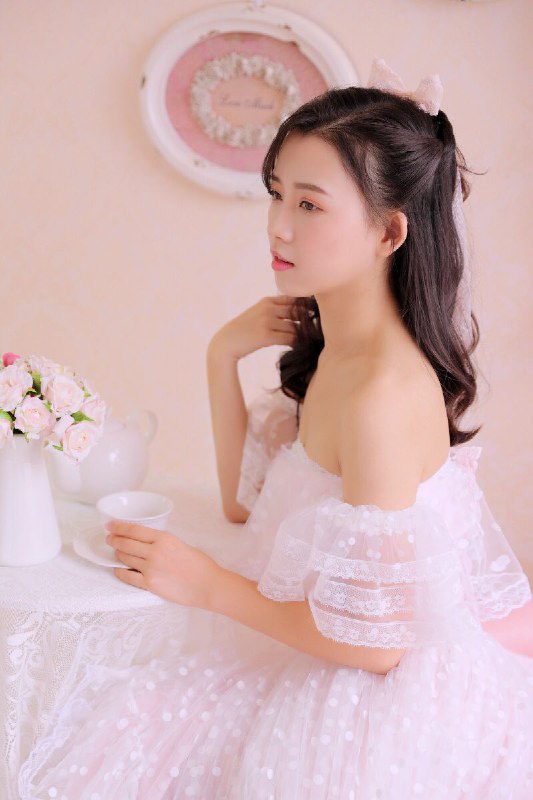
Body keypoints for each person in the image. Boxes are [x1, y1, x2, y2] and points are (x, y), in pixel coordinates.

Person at [19, 73, 533, 800]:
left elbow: (380, 646)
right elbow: (245, 503)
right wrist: (222, 354)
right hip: (311, 643)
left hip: (372, 704)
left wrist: (207, 585)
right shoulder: (337, 352)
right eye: (276, 194)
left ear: (389, 233)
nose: (278, 227)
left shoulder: (382, 395)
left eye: (309, 204)